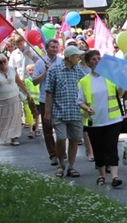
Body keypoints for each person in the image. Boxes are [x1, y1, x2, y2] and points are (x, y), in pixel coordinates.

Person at [78, 50, 125, 188]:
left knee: (111, 147)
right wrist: (86, 108)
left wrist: (122, 83)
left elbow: (120, 93)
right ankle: (101, 175)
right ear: (87, 63)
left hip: (113, 119)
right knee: (98, 149)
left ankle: (115, 176)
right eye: (93, 59)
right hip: (94, 121)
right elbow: (80, 101)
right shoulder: (84, 81)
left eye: (99, 58)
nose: (97, 61)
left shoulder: (110, 76)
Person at [45, 45, 85, 178]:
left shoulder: (78, 70)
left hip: (75, 111)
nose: (79, 58)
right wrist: (47, 112)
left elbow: (84, 88)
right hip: (59, 111)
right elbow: (49, 92)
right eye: (77, 56)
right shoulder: (54, 70)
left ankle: (71, 166)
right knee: (61, 138)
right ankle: (61, 164)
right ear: (69, 57)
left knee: (74, 139)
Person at [0, 53, 34, 146]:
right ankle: (7, 135)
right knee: (5, 119)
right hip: (3, 100)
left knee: (15, 118)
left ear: (7, 61)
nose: (3, 64)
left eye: (4, 61)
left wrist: (27, 93)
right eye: (0, 62)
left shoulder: (12, 70)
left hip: (14, 97)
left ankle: (14, 137)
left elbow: (19, 82)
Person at [33, 39, 63, 165]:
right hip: (45, 99)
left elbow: (63, 78)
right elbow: (35, 81)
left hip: (60, 98)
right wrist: (46, 71)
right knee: (47, 128)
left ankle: (61, 151)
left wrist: (53, 71)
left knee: (61, 127)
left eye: (56, 47)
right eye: (52, 47)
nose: (55, 50)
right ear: (46, 48)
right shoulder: (40, 63)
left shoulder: (62, 61)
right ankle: (53, 154)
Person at [24, 63, 40, 139]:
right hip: (30, 101)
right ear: (27, 72)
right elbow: (25, 90)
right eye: (29, 70)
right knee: (30, 115)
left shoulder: (38, 79)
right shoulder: (26, 81)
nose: (31, 71)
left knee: (37, 115)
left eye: (33, 70)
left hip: (38, 101)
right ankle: (30, 130)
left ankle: (36, 129)